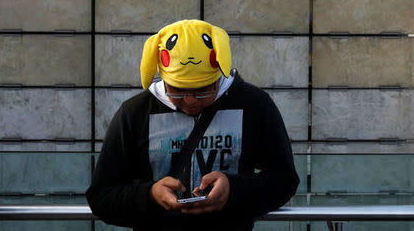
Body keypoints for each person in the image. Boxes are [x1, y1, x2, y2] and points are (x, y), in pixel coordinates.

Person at [86, 19, 299, 231]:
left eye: (203, 90)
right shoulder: (135, 112)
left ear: (219, 72)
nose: (190, 101)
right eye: (177, 90)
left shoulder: (255, 105)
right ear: (162, 75)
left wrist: (233, 191)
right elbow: (101, 197)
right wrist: (149, 195)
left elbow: (284, 180)